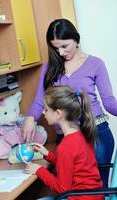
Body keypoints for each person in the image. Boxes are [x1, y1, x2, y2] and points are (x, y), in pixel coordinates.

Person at [22, 18, 116, 187]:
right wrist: (30, 118)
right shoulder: (49, 68)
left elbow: (109, 102)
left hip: (96, 134)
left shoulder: (96, 64)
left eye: (64, 46)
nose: (61, 52)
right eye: (55, 47)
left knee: (98, 188)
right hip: (66, 137)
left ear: (76, 39)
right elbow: (39, 101)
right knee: (70, 187)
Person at [25, 86, 104, 200]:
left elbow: (62, 189)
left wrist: (38, 170)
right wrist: (48, 155)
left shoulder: (66, 146)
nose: (43, 112)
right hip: (94, 195)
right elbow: (73, 166)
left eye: (46, 109)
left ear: (58, 113)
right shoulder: (82, 134)